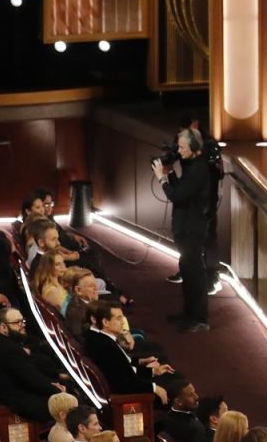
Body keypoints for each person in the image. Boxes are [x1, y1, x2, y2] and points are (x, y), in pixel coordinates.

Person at [153, 130, 212, 331]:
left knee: (195, 273)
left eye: (182, 147)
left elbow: (178, 196)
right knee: (187, 270)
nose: (178, 151)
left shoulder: (199, 169)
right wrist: (169, 174)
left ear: (195, 148)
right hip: (185, 226)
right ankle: (188, 314)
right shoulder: (190, 166)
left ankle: (200, 319)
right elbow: (181, 190)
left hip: (192, 228)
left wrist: (162, 179)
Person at [0, 309, 64, 422]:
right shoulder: (9, 349)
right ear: (3, 327)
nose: (22, 325)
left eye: (22, 321)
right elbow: (33, 380)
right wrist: (57, 390)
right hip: (20, 405)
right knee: (69, 397)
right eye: (17, 322)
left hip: (19, 397)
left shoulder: (1, 344)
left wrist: (51, 384)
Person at [172, 112, 223, 296]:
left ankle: (212, 277)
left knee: (208, 237)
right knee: (187, 238)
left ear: (195, 123)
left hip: (206, 199)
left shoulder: (209, 146)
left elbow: (215, 174)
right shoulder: (182, 142)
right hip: (189, 197)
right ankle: (187, 270)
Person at [83, 303, 168, 403]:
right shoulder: (107, 347)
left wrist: (153, 371)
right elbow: (123, 385)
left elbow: (124, 369)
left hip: (132, 384)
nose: (123, 322)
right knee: (175, 386)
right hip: (130, 398)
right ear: (105, 322)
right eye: (119, 318)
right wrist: (154, 388)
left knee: (169, 375)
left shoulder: (103, 339)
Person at [163, 378, 212, 442]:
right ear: (178, 401)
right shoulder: (192, 429)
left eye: (194, 392)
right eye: (190, 395)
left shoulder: (169, 416)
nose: (196, 397)